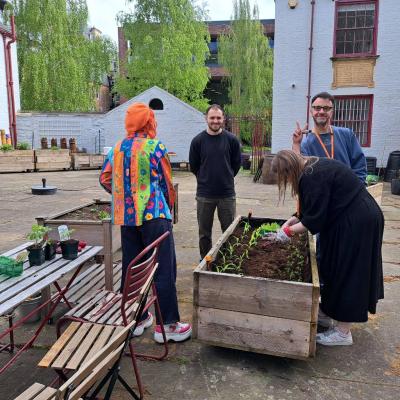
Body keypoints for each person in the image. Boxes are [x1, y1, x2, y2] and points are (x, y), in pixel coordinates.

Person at [266, 150, 384, 346]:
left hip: (358, 222)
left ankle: (343, 333)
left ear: (290, 171)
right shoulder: (312, 167)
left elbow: (314, 221)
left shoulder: (312, 176)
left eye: (284, 177)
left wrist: (287, 233)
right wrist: (289, 222)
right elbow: (312, 209)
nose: (286, 182)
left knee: (348, 272)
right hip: (349, 217)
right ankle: (328, 312)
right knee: (333, 267)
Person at [99, 102, 191, 344]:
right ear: (149, 121)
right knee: (163, 267)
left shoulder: (116, 148)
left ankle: (136, 319)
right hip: (155, 216)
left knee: (133, 267)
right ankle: (167, 326)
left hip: (127, 218)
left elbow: (105, 178)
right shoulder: (155, 147)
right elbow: (167, 184)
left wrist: (123, 196)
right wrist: (167, 207)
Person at [189, 104, 242, 259]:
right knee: (204, 233)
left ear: (223, 119)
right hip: (205, 195)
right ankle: (205, 260)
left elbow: (236, 165)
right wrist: (205, 178)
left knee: (229, 231)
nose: (215, 121)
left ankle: (228, 259)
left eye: (218, 118)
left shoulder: (232, 140)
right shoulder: (197, 141)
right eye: (212, 117)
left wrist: (226, 177)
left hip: (227, 194)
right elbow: (194, 166)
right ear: (206, 118)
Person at [292, 91, 367, 183]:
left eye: (326, 108)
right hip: (322, 191)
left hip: (348, 189)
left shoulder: (347, 135)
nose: (321, 112)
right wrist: (296, 144)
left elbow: (360, 165)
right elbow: (299, 171)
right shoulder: (306, 144)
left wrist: (357, 187)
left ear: (331, 112)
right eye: (317, 108)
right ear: (311, 111)